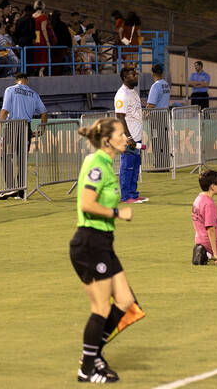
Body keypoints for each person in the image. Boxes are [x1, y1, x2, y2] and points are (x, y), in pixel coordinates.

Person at [69, 117, 143, 384]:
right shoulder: (96, 164)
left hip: (103, 242)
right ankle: (87, 368)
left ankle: (94, 355)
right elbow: (87, 204)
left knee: (126, 303)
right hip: (89, 243)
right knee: (101, 308)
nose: (126, 138)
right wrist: (118, 213)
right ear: (107, 140)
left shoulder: (108, 165)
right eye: (122, 135)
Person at [0, 73, 47, 200]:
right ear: (26, 80)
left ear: (17, 80)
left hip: (12, 127)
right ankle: (21, 192)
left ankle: (10, 188)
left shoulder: (10, 90)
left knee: (7, 157)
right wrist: (42, 128)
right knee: (22, 159)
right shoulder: (34, 94)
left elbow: (4, 111)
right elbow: (44, 112)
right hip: (26, 127)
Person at [113, 66, 147, 204]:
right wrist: (129, 137)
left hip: (136, 136)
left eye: (136, 74)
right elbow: (120, 118)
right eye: (133, 75)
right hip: (128, 138)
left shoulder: (133, 92)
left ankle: (133, 194)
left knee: (135, 165)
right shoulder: (122, 95)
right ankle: (125, 196)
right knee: (127, 166)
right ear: (125, 78)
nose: (136, 76)